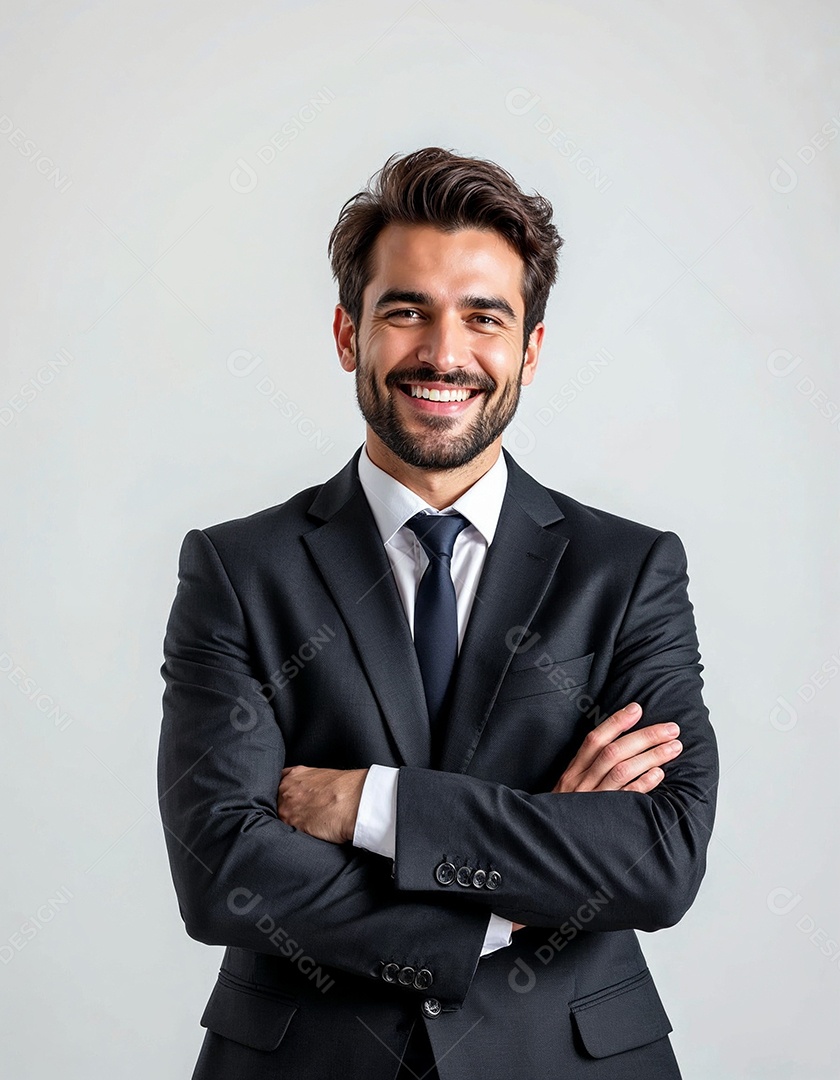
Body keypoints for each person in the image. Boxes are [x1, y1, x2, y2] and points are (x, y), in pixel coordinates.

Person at [157, 146, 718, 1080]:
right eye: (406, 310)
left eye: (484, 318)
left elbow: (658, 857)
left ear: (530, 350)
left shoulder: (627, 570)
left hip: (570, 1059)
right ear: (349, 335)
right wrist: (525, 889)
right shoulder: (235, 567)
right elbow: (225, 871)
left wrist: (376, 806)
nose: (444, 353)